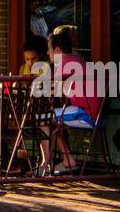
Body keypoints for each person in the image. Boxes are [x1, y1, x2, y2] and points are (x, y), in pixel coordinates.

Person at [39, 25, 100, 175]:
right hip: (95, 112)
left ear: (58, 50)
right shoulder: (77, 59)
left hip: (85, 113)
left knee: (43, 118)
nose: (47, 53)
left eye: (49, 49)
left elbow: (57, 92)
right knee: (53, 120)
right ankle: (67, 159)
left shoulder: (64, 64)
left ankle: (44, 165)